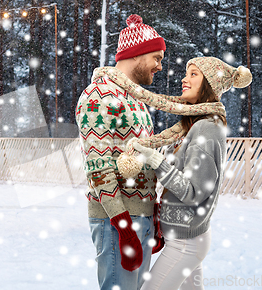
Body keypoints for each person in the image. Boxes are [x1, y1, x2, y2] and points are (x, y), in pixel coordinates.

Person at [94, 57, 252, 290]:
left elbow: (194, 192)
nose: (184, 79)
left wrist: (156, 160)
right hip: (186, 239)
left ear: (209, 84)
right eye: (186, 73)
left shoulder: (206, 127)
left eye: (193, 74)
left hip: (186, 244)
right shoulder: (194, 124)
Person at [75, 14, 166, 290]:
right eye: (157, 58)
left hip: (140, 217)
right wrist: (123, 226)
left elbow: (141, 157)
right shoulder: (98, 96)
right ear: (137, 55)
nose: (160, 67)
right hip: (117, 220)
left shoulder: (135, 99)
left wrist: (152, 210)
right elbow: (98, 168)